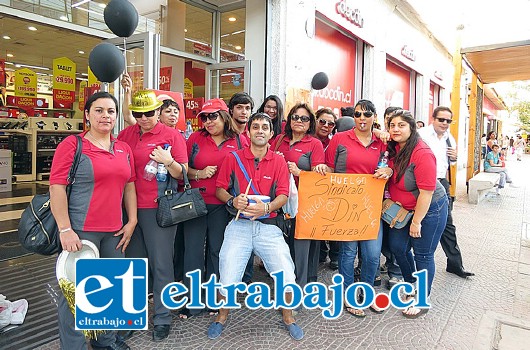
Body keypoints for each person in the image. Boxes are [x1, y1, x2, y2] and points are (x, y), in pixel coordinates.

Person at [50, 91, 137, 350]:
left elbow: (130, 185)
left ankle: (105, 343)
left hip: (114, 232)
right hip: (81, 232)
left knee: (109, 291)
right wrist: (65, 229)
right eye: (99, 110)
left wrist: (131, 220)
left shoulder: (123, 147)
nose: (105, 116)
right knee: (75, 296)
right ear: (87, 114)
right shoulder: (73, 145)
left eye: (111, 111)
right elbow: (56, 188)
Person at [207, 112, 304, 340]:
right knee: (228, 271)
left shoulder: (279, 161)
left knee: (286, 273)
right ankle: (221, 316)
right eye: (255, 127)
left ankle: (288, 316)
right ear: (248, 132)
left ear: (271, 134)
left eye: (264, 127)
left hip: (269, 226)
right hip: (239, 225)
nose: (259, 130)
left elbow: (282, 194)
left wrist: (267, 208)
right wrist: (232, 200)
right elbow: (219, 189)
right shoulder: (233, 157)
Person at [117, 90, 188, 342]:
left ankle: (163, 317)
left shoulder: (172, 135)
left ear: (158, 111)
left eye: (148, 113)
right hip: (129, 209)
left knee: (161, 264)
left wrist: (169, 162)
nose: (144, 118)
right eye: (138, 114)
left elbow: (183, 174)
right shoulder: (126, 134)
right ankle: (130, 316)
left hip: (160, 208)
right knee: (133, 265)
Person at [314, 99, 392, 317]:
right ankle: (349, 297)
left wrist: (390, 172)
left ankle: (366, 293)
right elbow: (329, 167)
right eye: (358, 114)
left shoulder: (382, 142)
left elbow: (394, 164)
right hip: (346, 206)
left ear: (374, 117)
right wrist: (322, 167)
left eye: (367, 114)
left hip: (372, 206)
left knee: (372, 255)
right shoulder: (340, 138)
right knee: (348, 253)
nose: (362, 119)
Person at [179, 98, 248, 318]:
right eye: (204, 117)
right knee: (192, 251)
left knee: (218, 252)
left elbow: (250, 164)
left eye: (213, 116)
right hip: (195, 203)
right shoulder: (195, 138)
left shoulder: (238, 140)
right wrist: (198, 173)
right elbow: (182, 168)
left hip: (224, 204)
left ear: (224, 116)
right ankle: (192, 301)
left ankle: (214, 298)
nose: (208, 121)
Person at [386, 109, 449, 318]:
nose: (396, 129)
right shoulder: (395, 147)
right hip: (405, 209)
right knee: (396, 246)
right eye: (392, 125)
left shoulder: (422, 153)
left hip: (429, 209)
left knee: (423, 254)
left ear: (412, 128)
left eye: (401, 125)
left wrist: (417, 222)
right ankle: (412, 282)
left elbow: (426, 193)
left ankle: (423, 299)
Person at [270, 103, 325, 290]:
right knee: (281, 246)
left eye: (304, 118)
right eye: (295, 117)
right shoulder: (278, 139)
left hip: (304, 202)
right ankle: (283, 284)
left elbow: (320, 176)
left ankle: (299, 287)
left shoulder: (315, 144)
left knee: (301, 246)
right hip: (279, 200)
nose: (299, 121)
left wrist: (300, 172)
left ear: (310, 123)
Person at [418, 106, 474, 279]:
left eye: (448, 121)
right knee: (412, 222)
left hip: (441, 183)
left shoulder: (450, 138)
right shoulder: (421, 135)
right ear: (433, 118)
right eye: (441, 119)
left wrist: (455, 157)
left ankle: (455, 264)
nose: (444, 123)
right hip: (420, 184)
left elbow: (449, 163)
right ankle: (398, 266)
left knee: (447, 225)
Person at [314, 108, 339, 271]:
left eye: (330, 123)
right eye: (322, 121)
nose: (326, 126)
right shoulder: (306, 140)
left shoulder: (335, 142)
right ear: (315, 120)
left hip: (330, 191)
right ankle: (320, 253)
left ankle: (334, 255)